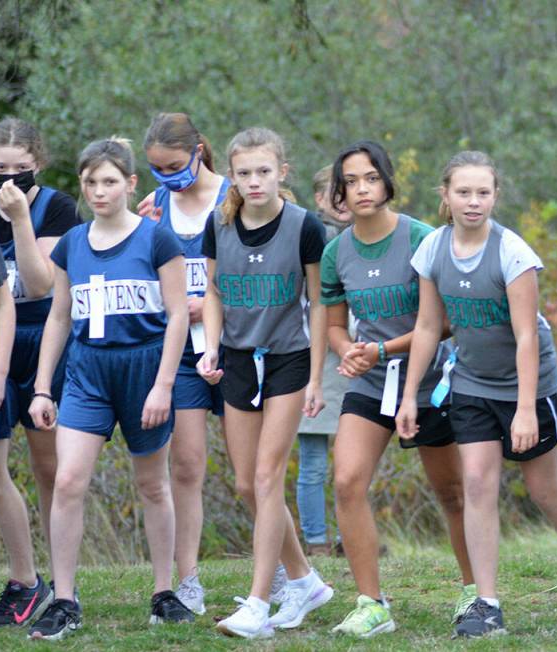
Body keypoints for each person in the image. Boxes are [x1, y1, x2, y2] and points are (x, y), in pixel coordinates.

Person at [396, 151, 557, 638]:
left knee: (545, 492)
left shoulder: (512, 252)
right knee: (477, 484)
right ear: (445, 196)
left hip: (529, 386)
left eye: (483, 193)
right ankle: (486, 604)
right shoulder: (431, 250)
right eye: (463, 192)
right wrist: (408, 397)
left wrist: (527, 410)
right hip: (470, 383)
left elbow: (527, 336)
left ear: (495, 196)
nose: (473, 202)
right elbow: (427, 327)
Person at [26, 137, 193, 639]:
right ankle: (64, 598)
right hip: (88, 374)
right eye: (90, 182)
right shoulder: (72, 243)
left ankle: (165, 591)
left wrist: (164, 386)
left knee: (152, 483)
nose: (99, 191)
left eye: (109, 181)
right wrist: (41, 388)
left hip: (144, 371)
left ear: (130, 183)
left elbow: (180, 313)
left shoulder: (156, 239)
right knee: (69, 480)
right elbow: (59, 315)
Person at [323, 141, 472, 637]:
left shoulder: (424, 238)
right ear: (338, 191)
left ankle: (475, 594)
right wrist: (347, 349)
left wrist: (384, 348)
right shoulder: (334, 252)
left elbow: (445, 321)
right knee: (346, 481)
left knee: (451, 493)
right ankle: (372, 604)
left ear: (386, 181)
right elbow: (334, 326)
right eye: (350, 181)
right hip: (370, 383)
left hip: (429, 381)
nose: (361, 188)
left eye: (369, 178)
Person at [196, 127, 332, 639]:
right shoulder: (219, 225)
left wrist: (318, 376)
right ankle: (304, 581)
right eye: (245, 173)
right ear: (232, 175)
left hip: (288, 360)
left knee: (269, 478)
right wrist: (210, 345)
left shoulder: (305, 227)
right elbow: (211, 291)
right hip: (236, 359)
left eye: (264, 172)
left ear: (282, 173)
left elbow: (320, 305)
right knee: (247, 484)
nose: (254, 181)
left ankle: (259, 602)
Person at [0, 117, 78, 623]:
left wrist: (22, 220)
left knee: (48, 466)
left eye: (20, 169)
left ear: (38, 165)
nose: (8, 178)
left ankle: (56, 576)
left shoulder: (56, 206)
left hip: (41, 337)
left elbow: (40, 283)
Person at [142, 112, 231, 615]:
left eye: (174, 166)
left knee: (253, 471)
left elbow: (266, 270)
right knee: (187, 463)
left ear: (199, 149)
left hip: (237, 344)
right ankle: (188, 579)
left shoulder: (235, 194)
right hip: (182, 350)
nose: (167, 176)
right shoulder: (156, 205)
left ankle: (284, 573)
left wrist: (210, 302)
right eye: (157, 169)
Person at [296, 165, 351, 557]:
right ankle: (316, 541)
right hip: (315, 358)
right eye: (335, 191)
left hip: (359, 356)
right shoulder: (310, 236)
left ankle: (349, 535)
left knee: (354, 460)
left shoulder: (366, 235)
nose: (344, 198)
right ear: (318, 199)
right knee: (313, 461)